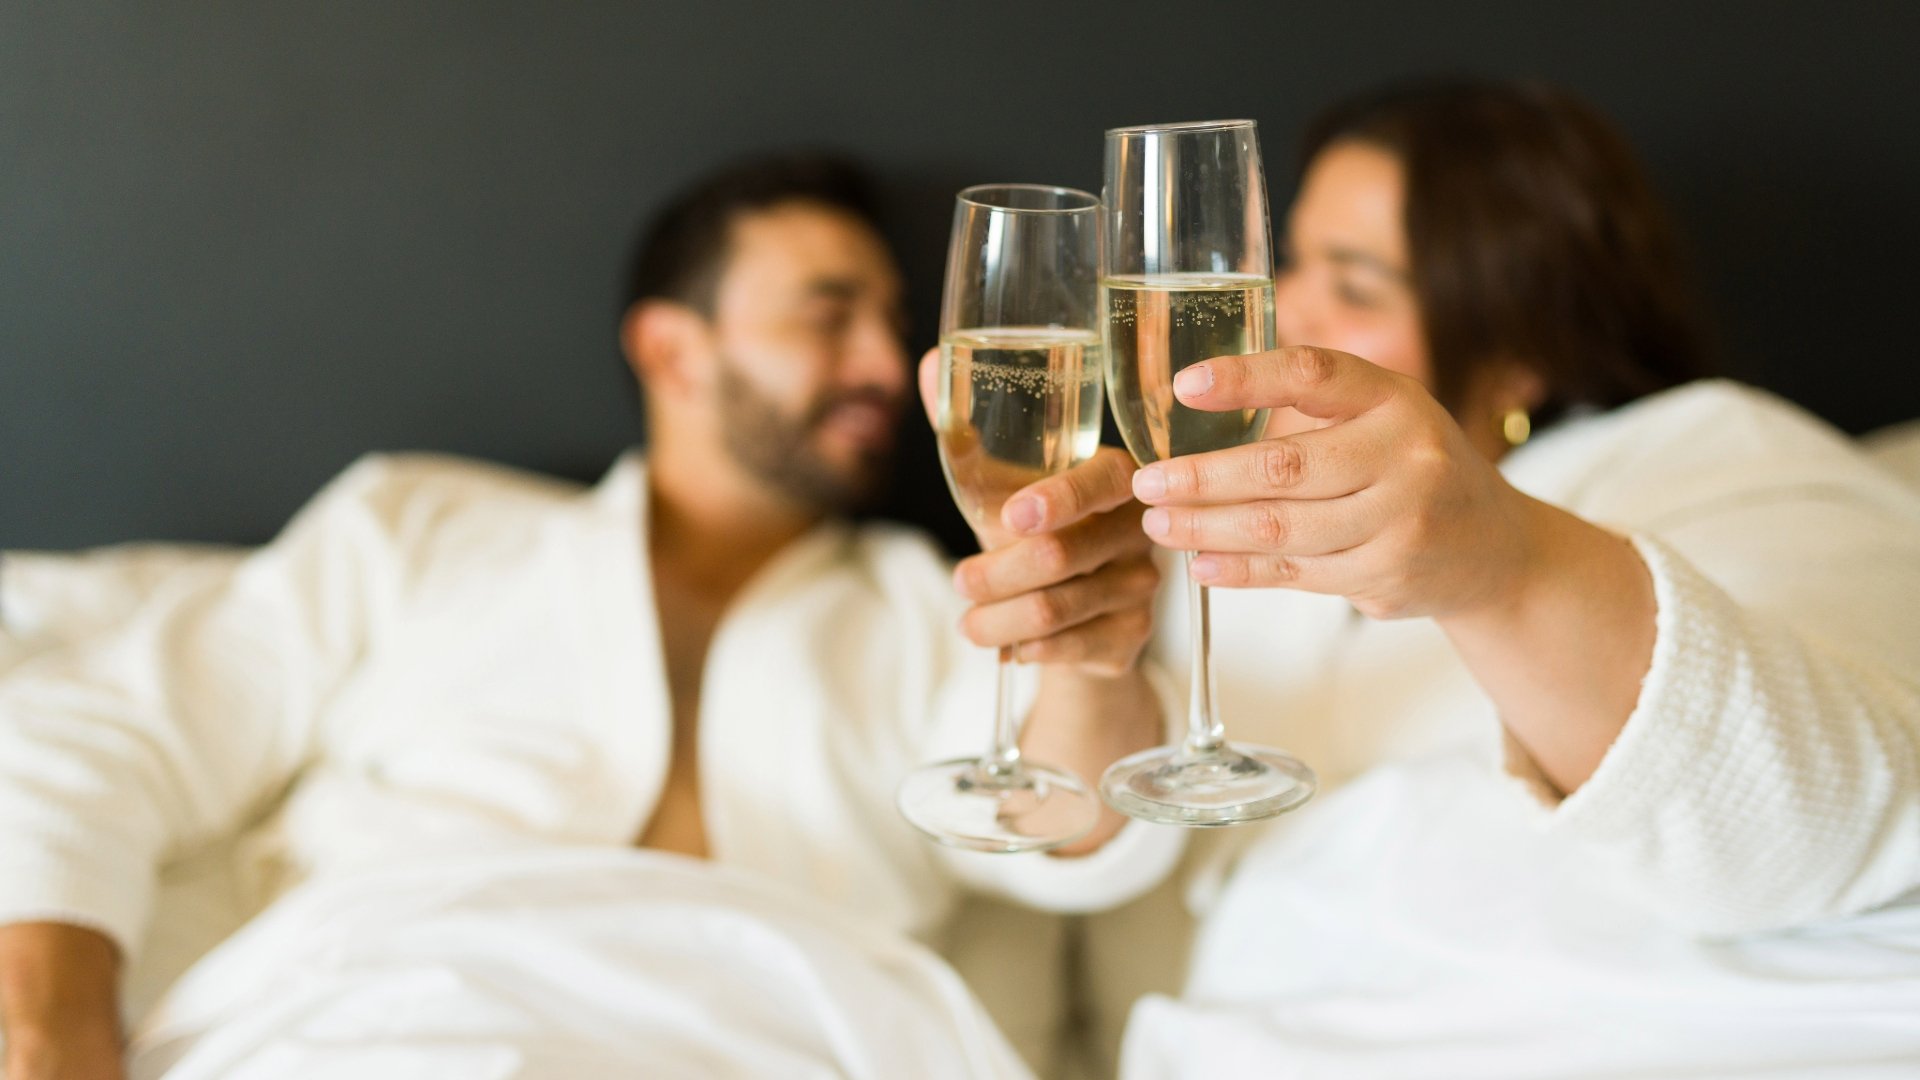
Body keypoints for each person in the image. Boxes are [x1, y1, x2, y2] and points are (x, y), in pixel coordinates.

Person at [0, 153, 1179, 1078]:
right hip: (388, 1016)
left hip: (780, 1036)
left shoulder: (924, 597)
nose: (883, 361)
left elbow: (1067, 831)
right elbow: (102, 734)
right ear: (673, 350)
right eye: (828, 315)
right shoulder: (417, 527)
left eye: (894, 318)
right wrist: (54, 1033)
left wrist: (1088, 652)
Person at [1104, 79, 1920, 1077]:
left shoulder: (1730, 457)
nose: (1280, 316)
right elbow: (1126, 855)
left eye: (1356, 288)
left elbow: (1816, 823)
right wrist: (1088, 666)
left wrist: (1508, 570)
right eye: (1291, 263)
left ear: (1519, 352)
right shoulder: (1240, 537)